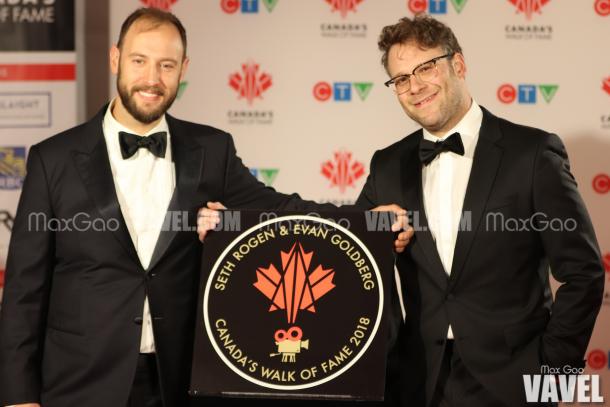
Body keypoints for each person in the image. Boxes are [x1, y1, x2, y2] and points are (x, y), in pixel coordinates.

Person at [0, 8, 412, 407]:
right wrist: (19, 397)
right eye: (139, 61)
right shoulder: (52, 159)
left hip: (181, 380)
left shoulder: (211, 150)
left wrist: (367, 224)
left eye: (166, 65)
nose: (152, 78)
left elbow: (281, 210)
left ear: (183, 69)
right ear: (115, 59)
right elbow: (23, 293)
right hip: (79, 382)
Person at [354, 15, 605, 407]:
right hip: (417, 383)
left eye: (426, 67)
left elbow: (584, 273)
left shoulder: (533, 153)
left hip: (517, 382)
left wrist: (554, 377)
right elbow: (353, 259)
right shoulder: (386, 165)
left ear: (458, 65)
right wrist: (374, 234)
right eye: (401, 79)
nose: (414, 86)